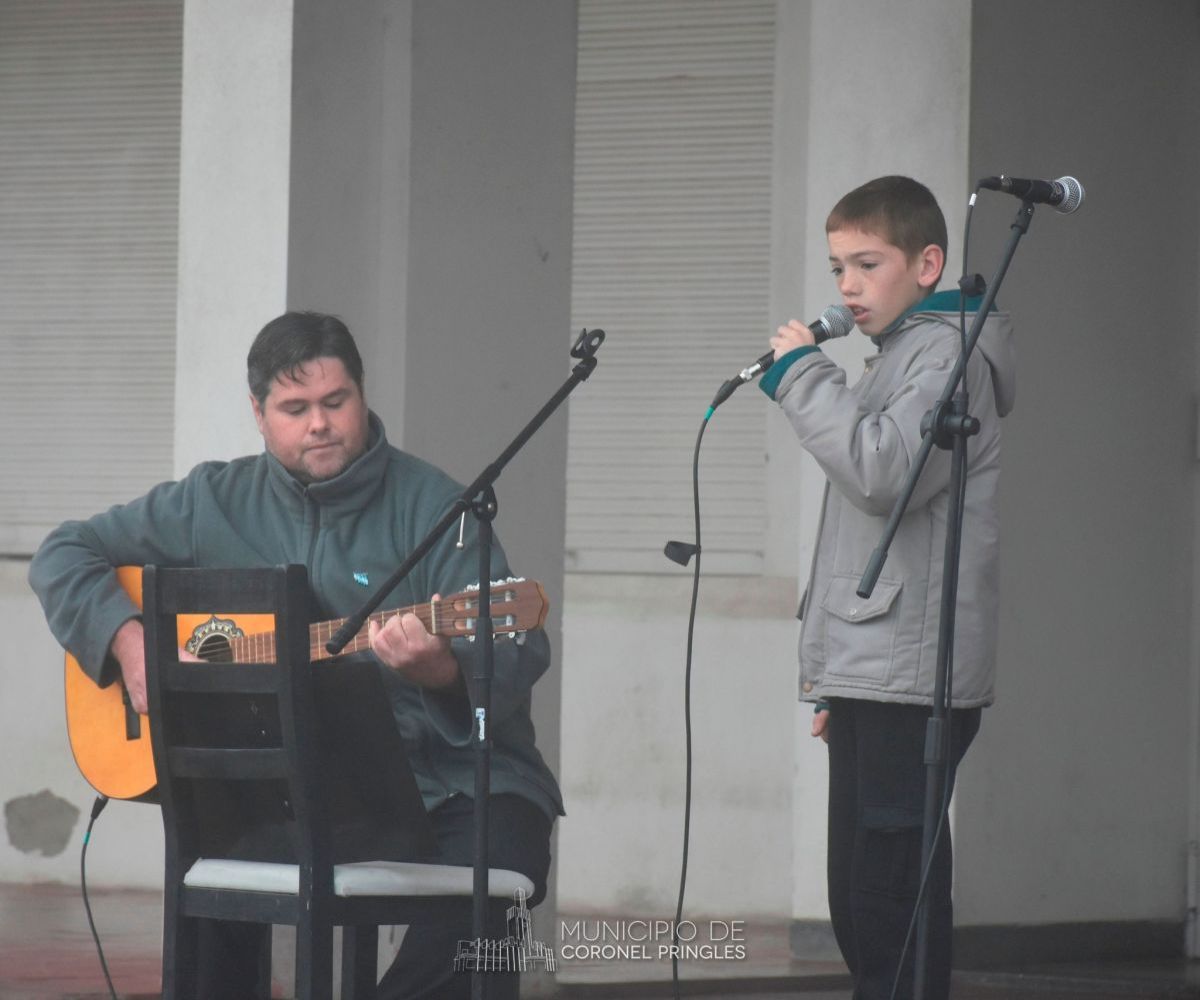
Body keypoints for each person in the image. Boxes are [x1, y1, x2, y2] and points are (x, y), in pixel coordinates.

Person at [29, 310, 563, 999]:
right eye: (295, 407)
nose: (320, 423)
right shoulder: (211, 500)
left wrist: (441, 669)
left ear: (362, 395)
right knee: (211, 876)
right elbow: (64, 552)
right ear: (258, 413)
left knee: (486, 904)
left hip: (454, 785)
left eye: (335, 402)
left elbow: (515, 649)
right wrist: (128, 643)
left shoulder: (438, 507)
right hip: (298, 785)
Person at [760, 176, 1015, 1000]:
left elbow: (883, 473)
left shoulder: (947, 357)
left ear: (928, 263)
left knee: (887, 899)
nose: (847, 287)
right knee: (858, 896)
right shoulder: (899, 358)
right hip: (878, 672)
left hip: (913, 678)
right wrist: (841, 669)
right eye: (837, 268)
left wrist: (803, 376)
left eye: (867, 264)